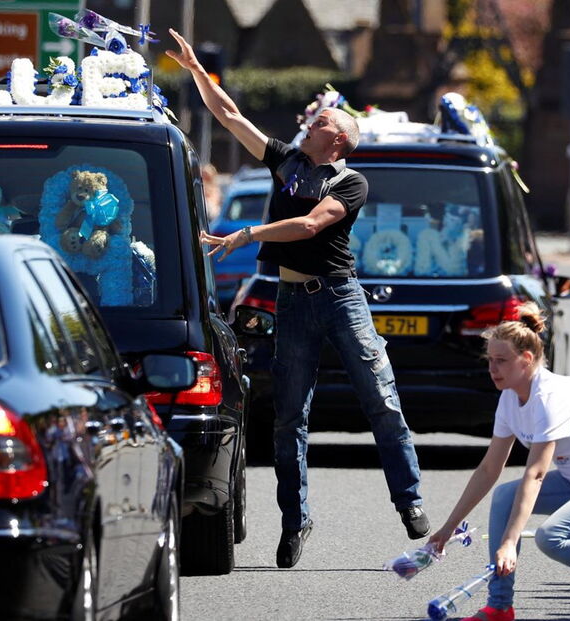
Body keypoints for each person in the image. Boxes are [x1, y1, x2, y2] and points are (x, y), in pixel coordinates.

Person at [166, 29, 429, 569]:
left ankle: (410, 500)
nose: (312, 123)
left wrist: (248, 235)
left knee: (381, 399)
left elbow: (311, 226)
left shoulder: (350, 182)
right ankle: (295, 521)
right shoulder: (287, 162)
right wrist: (197, 70)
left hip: (340, 297)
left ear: (338, 141)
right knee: (289, 418)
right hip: (292, 301)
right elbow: (231, 116)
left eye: (323, 124)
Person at [427, 302, 570, 621]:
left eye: (501, 361)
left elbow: (535, 474)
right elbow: (488, 469)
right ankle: (499, 606)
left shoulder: (551, 398)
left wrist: (509, 542)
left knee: (550, 536)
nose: (493, 369)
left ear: (526, 359)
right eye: (490, 361)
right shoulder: (509, 397)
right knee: (504, 496)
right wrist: (447, 528)